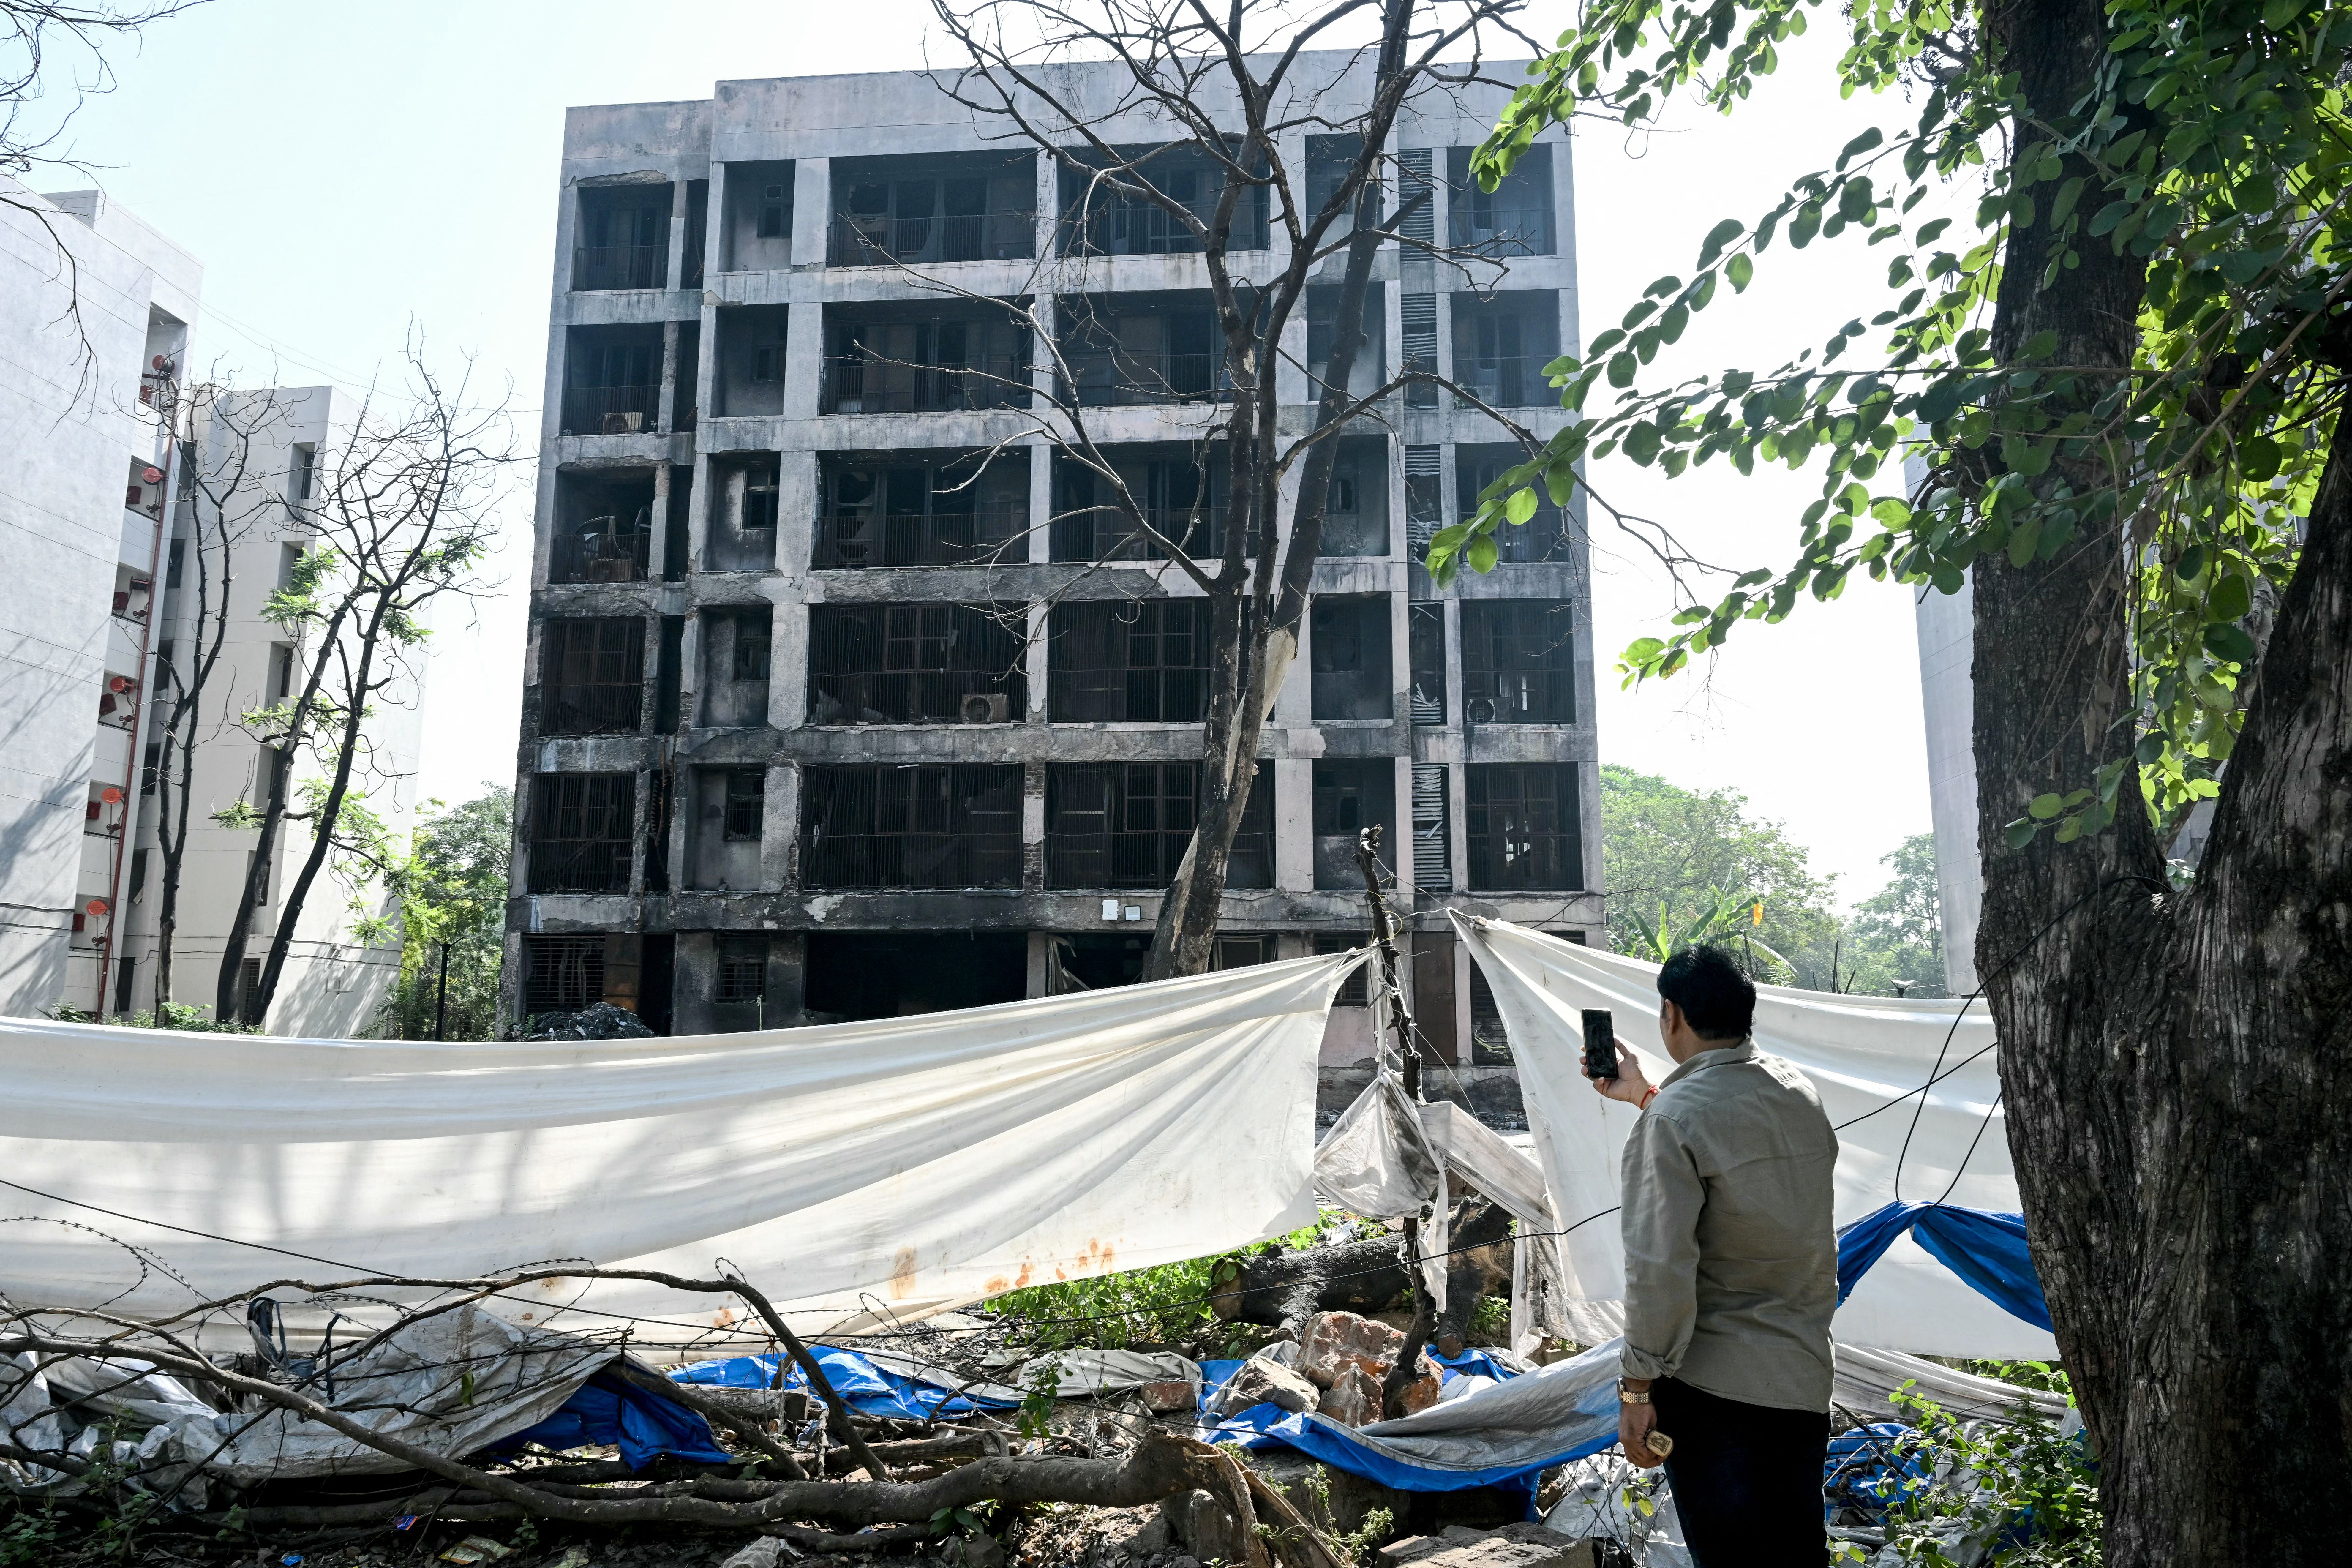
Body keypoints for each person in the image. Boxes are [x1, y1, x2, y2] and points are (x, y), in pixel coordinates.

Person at [1586, 944, 1839, 1568]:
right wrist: (1648, 1096)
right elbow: (1738, 1175)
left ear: (1671, 1015)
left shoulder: (1675, 1119)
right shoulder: (1795, 1091)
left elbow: (1659, 1269)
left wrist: (1637, 1388)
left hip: (1718, 1393)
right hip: (1802, 1380)